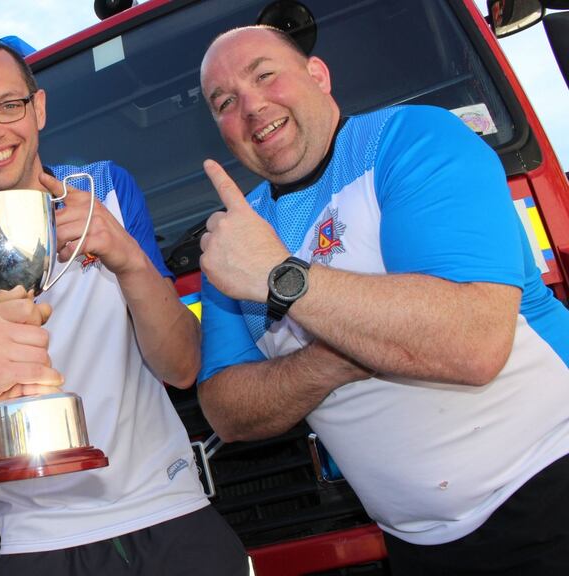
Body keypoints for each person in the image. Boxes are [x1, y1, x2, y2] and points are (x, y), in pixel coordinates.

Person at [196, 25, 569, 576]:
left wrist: (281, 277)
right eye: (225, 102)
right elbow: (227, 411)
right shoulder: (236, 238)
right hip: (417, 546)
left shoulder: (412, 140)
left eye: (265, 75)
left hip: (550, 488)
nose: (251, 106)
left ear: (318, 76)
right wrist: (340, 353)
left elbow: (471, 344)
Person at [0, 39, 248, 576]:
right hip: (38, 540)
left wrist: (125, 257)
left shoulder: (105, 189)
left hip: (169, 504)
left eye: (8, 105)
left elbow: (182, 366)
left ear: (38, 108)